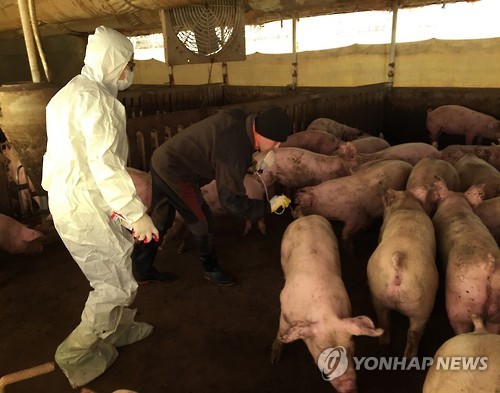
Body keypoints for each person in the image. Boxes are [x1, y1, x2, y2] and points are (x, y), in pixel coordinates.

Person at [41, 26, 158, 388]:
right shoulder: (98, 102)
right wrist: (136, 213)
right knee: (113, 283)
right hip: (83, 201)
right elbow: (105, 165)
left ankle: (118, 329)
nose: (129, 71)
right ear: (112, 63)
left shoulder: (70, 93)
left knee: (117, 260)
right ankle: (75, 353)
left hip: (76, 196)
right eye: (128, 64)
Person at [132, 106, 293, 286]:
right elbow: (230, 200)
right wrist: (268, 206)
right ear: (262, 132)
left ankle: (142, 269)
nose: (277, 147)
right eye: (276, 141)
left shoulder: (243, 121)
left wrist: (248, 164)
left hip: (163, 160)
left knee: (161, 218)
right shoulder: (234, 148)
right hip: (178, 173)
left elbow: (230, 154)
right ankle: (210, 268)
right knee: (202, 220)